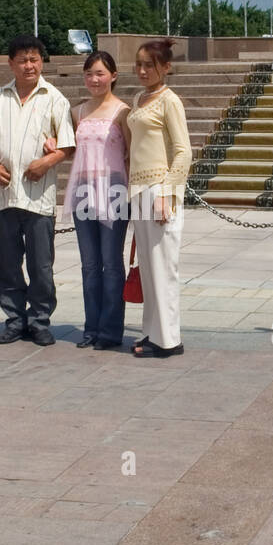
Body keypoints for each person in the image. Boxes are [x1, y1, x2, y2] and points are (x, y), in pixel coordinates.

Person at [0, 35, 76, 346]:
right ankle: (15, 319)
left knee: (41, 265)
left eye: (35, 59)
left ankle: (40, 320)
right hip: (2, 196)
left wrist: (46, 162)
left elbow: (67, 144)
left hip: (38, 197)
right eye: (23, 60)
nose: (30, 65)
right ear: (10, 64)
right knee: (6, 263)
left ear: (41, 62)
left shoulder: (54, 98)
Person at [60, 51, 131, 350]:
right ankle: (91, 328)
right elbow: (70, 149)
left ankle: (111, 330)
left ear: (113, 75)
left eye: (100, 73)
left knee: (112, 263)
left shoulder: (123, 112)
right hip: (83, 192)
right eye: (89, 73)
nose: (94, 79)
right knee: (90, 265)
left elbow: (130, 152)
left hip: (114, 191)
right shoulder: (76, 112)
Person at [127, 39, 192, 358]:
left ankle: (170, 340)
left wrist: (167, 194)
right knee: (149, 268)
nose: (142, 70)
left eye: (148, 65)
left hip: (159, 189)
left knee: (164, 267)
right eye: (138, 64)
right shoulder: (138, 98)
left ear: (165, 67)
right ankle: (153, 333)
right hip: (138, 190)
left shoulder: (170, 101)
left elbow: (183, 152)